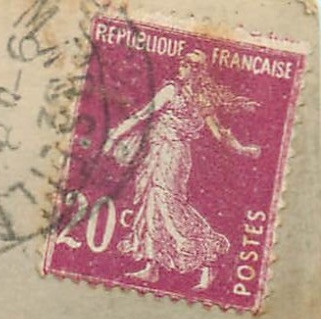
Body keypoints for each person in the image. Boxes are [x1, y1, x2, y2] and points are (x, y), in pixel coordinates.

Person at [102, 50, 261, 290]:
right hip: (160, 153)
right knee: (153, 204)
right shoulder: (178, 92)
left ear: (199, 71)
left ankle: (207, 261)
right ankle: (152, 266)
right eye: (184, 62)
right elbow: (144, 115)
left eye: (192, 64)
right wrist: (115, 135)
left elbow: (218, 134)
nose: (184, 66)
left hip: (171, 156)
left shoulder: (190, 97)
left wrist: (243, 150)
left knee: (169, 206)